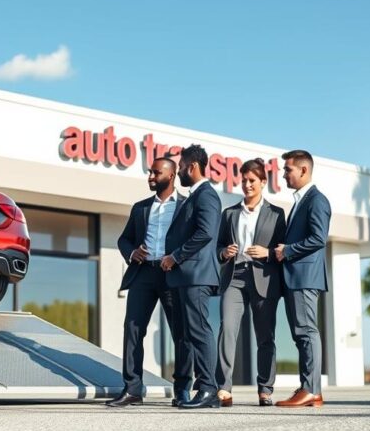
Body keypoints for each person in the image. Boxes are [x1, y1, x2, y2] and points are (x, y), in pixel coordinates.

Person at [106, 158, 189, 407]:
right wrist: (133, 253)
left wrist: (176, 258)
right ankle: (132, 389)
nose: (150, 176)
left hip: (172, 274)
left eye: (156, 172)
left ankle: (183, 388)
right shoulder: (140, 208)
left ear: (171, 175)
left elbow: (196, 238)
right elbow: (124, 239)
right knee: (133, 329)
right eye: (150, 172)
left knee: (181, 333)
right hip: (143, 273)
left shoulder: (187, 206)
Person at [214, 159, 287, 407]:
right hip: (234, 277)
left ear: (263, 183)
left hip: (264, 278)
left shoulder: (277, 214)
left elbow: (281, 249)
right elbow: (218, 246)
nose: (246, 185)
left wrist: (267, 253)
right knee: (227, 330)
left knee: (265, 336)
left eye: (252, 181)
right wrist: (224, 252)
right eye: (243, 180)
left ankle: (265, 389)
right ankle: (223, 387)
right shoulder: (230, 213)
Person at [161, 144, 222, 409]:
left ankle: (208, 389)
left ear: (193, 167)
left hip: (196, 274)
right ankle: (203, 388)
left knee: (199, 331)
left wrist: (175, 256)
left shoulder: (206, 195)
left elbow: (205, 232)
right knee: (189, 333)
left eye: (182, 166)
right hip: (185, 276)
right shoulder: (195, 196)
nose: (180, 171)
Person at [273, 150, 331, 408]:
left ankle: (310, 388)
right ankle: (311, 389)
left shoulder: (316, 200)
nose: (283, 174)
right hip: (296, 277)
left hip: (305, 277)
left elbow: (318, 239)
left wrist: (287, 250)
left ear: (303, 170)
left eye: (287, 170)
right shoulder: (300, 201)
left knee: (306, 332)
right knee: (301, 334)